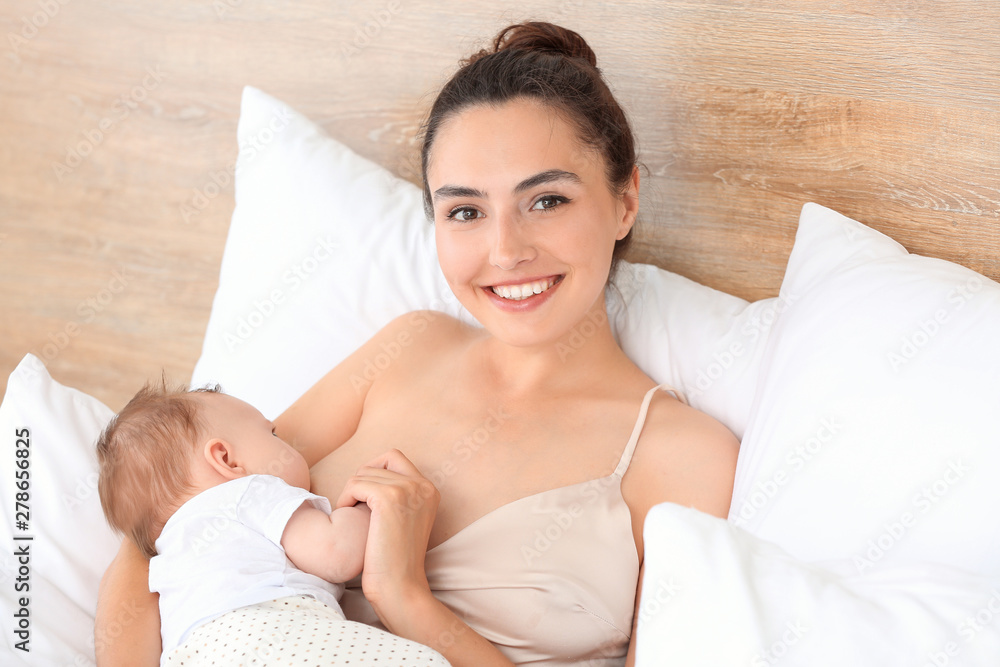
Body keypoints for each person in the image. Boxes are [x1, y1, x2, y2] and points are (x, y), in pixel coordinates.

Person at [96, 21, 739, 667]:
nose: (506, 251)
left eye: (546, 200)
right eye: (465, 211)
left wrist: (406, 596)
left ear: (624, 200)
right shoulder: (409, 347)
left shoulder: (685, 458)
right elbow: (169, 522)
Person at [96, 382, 449, 666]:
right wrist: (369, 503)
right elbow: (337, 553)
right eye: (274, 435)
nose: (286, 442)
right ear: (226, 459)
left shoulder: (167, 551)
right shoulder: (249, 491)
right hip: (268, 636)